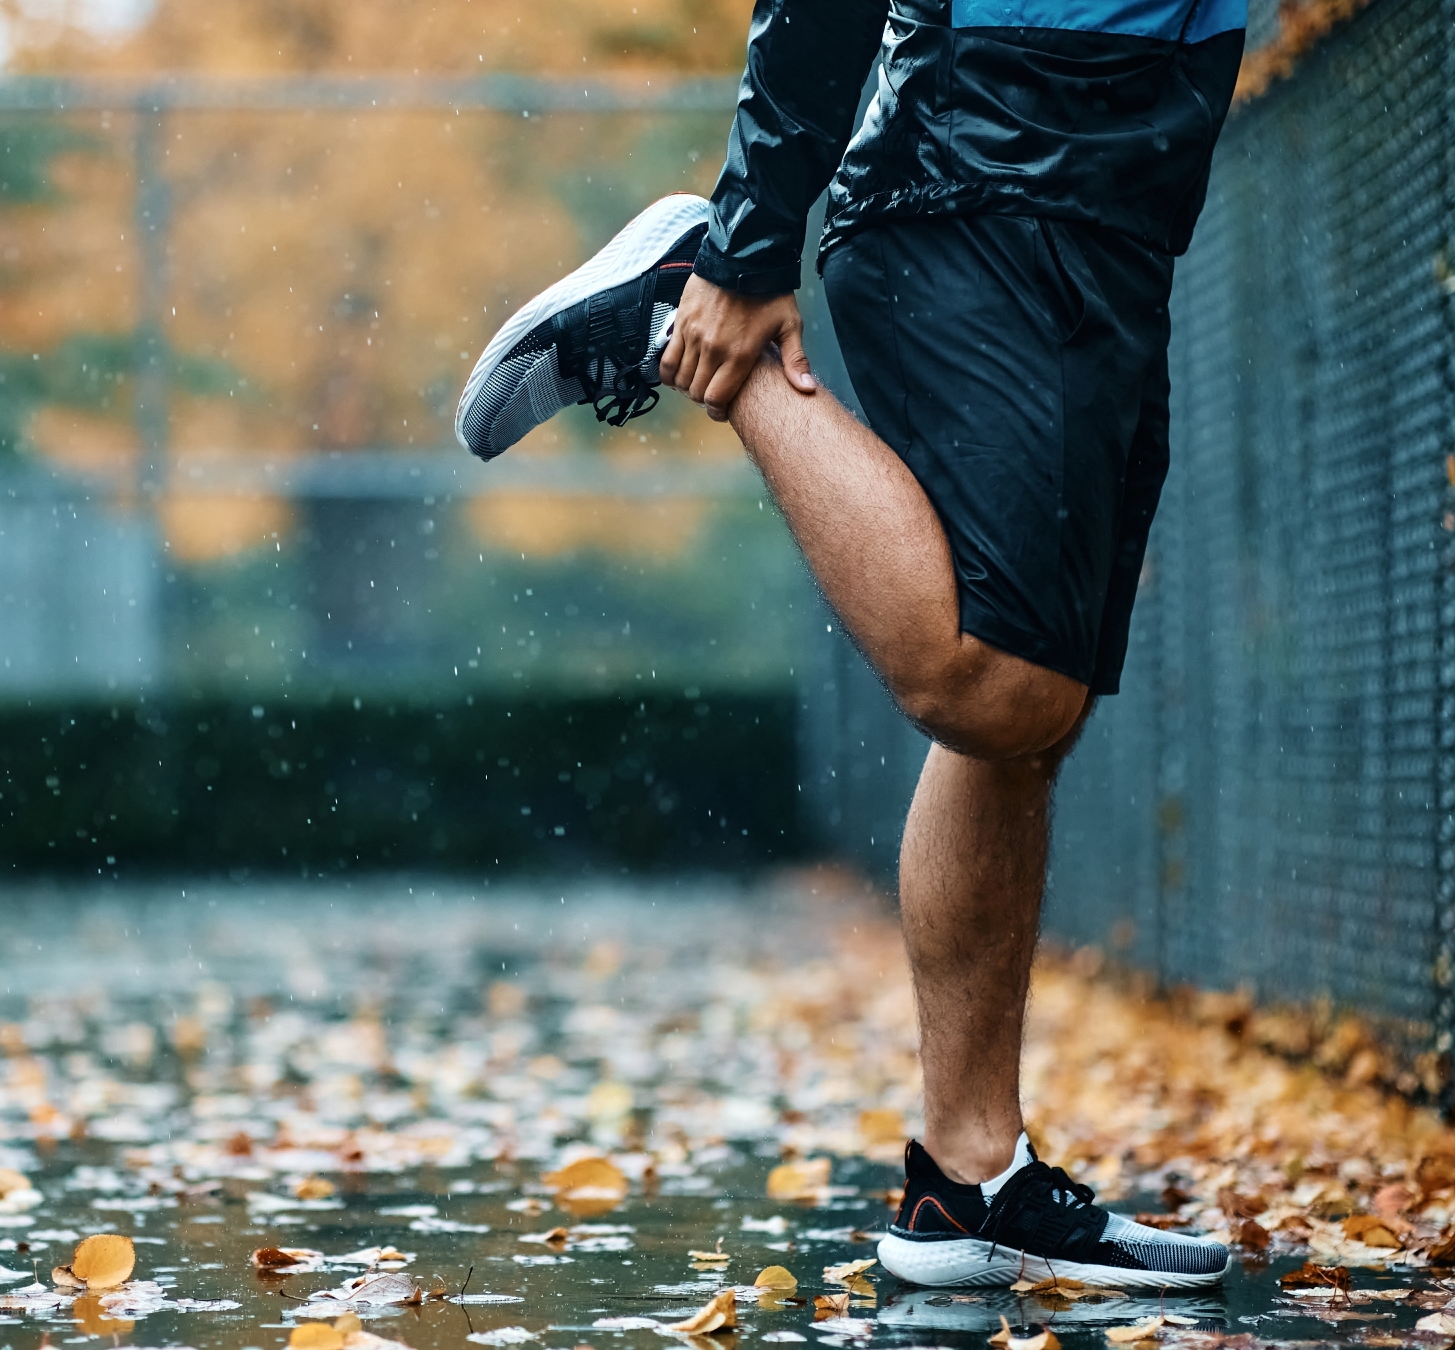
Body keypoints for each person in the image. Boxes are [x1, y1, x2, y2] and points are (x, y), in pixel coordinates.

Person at [455, 0, 1245, 1289]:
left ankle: (968, 1186)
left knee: (1035, 719)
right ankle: (667, 312)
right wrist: (752, 241)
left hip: (1114, 187)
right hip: (989, 160)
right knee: (989, 680)